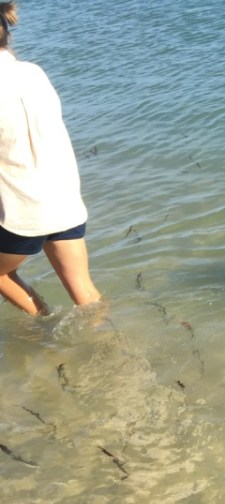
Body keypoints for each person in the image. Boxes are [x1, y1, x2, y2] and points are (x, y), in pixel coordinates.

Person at [0, 1, 101, 316]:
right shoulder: (33, 72)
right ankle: (114, 346)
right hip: (64, 201)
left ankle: (42, 324)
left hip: (23, 212)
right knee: (84, 292)